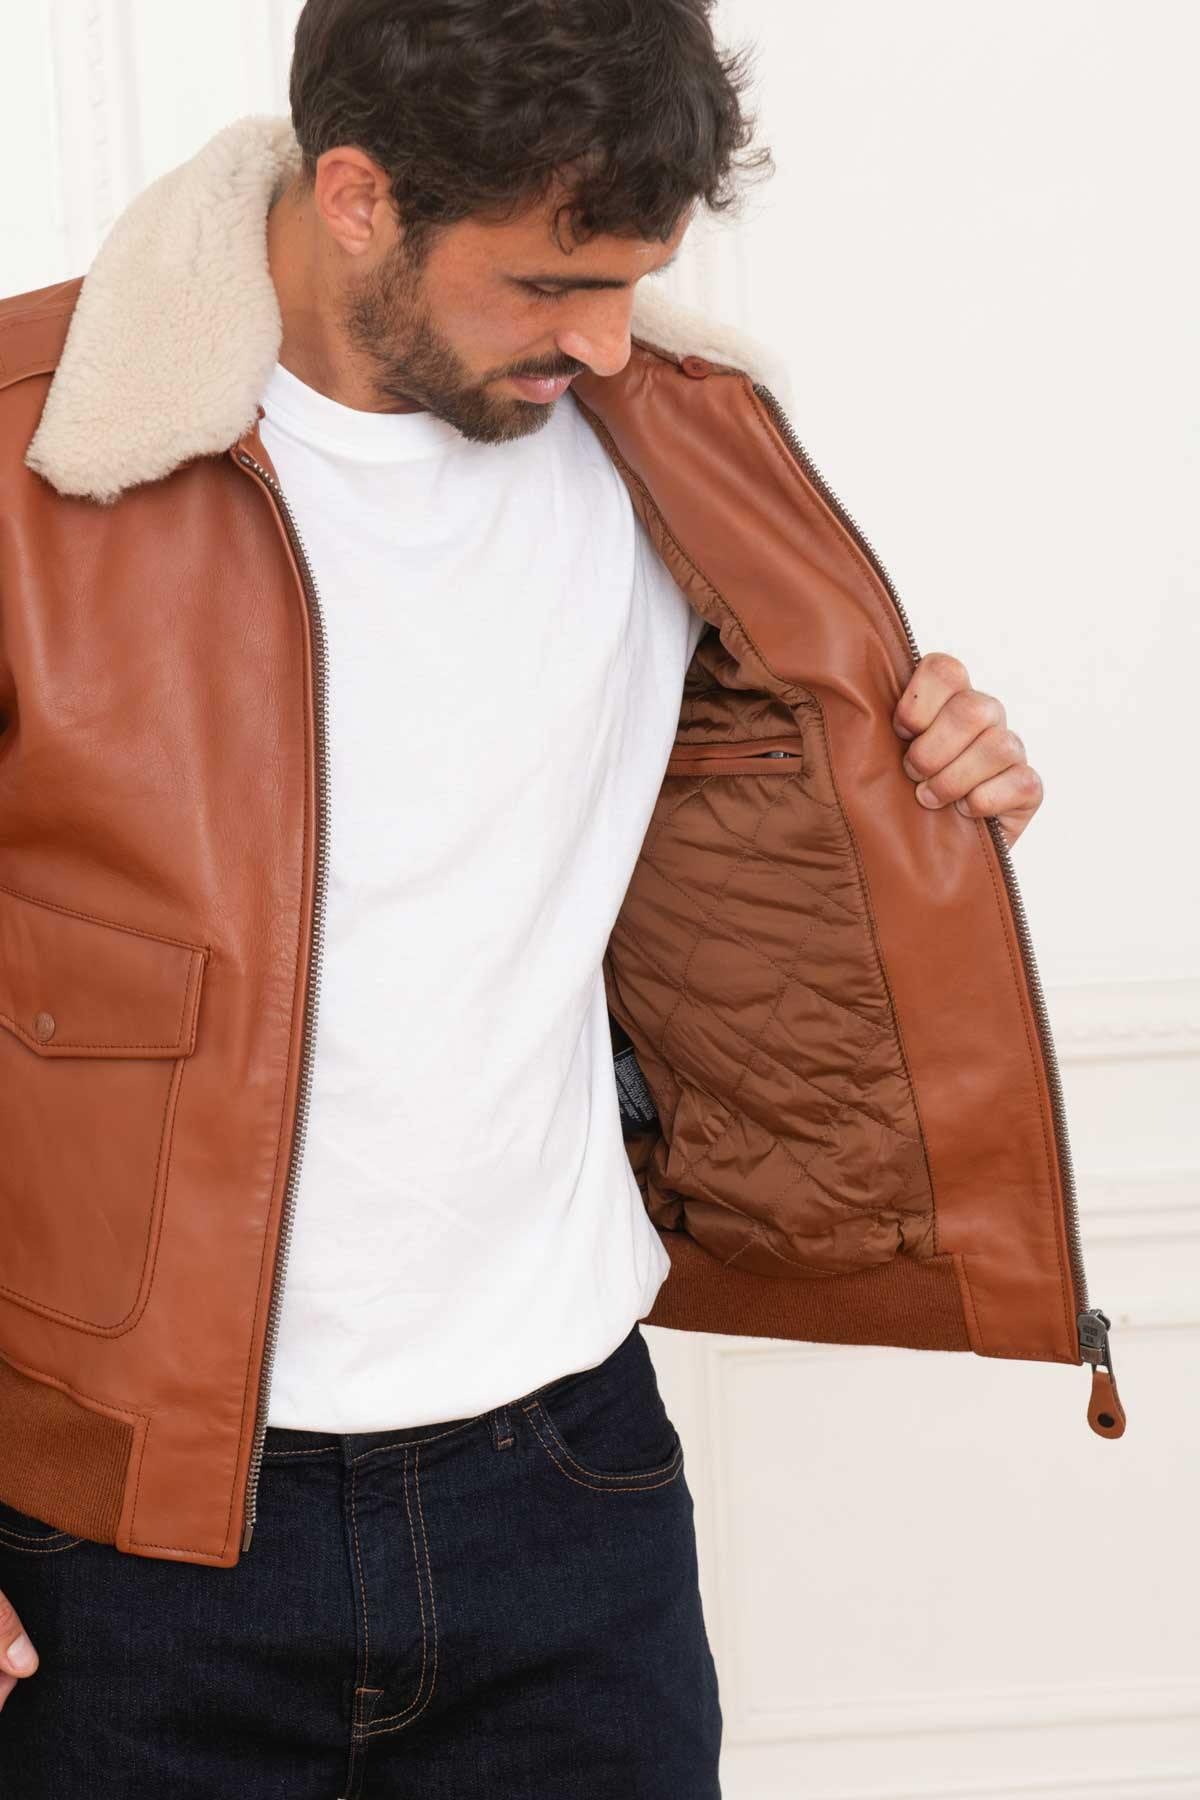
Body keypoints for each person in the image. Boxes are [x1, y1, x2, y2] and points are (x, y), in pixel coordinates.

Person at [0, 1, 1062, 1793]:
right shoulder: (36, 453)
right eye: (552, 283)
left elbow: (757, 835)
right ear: (359, 197)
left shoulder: (690, 448)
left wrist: (934, 781)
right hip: (111, 1534)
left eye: (637, 282)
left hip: (569, 1495)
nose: (609, 339)